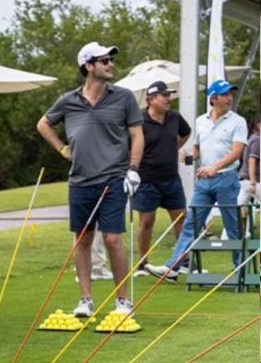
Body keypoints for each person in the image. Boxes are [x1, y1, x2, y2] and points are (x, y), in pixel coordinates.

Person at [36, 42, 143, 317]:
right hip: (80, 181)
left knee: (112, 239)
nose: (110, 64)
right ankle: (86, 299)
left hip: (114, 178)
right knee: (82, 239)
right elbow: (43, 123)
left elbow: (137, 135)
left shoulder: (124, 97)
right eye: (104, 60)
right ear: (88, 66)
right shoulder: (69, 100)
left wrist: (133, 168)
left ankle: (123, 301)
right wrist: (62, 149)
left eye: (110, 60)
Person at [144, 79, 247, 281]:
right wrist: (189, 154)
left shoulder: (238, 121)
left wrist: (214, 167)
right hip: (204, 181)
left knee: (232, 226)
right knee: (190, 223)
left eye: (230, 94)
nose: (229, 98)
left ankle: (240, 270)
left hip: (226, 179)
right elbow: (199, 149)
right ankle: (173, 268)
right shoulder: (201, 121)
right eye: (225, 94)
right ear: (213, 98)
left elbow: (237, 151)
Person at [130, 81, 190, 275]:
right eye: (164, 95)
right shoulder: (139, 121)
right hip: (147, 179)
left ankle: (184, 260)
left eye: (169, 95)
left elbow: (186, 133)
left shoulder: (174, 117)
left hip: (171, 178)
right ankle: (143, 263)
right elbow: (128, 146)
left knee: (181, 219)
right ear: (151, 99)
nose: (168, 99)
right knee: (146, 221)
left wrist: (174, 148)